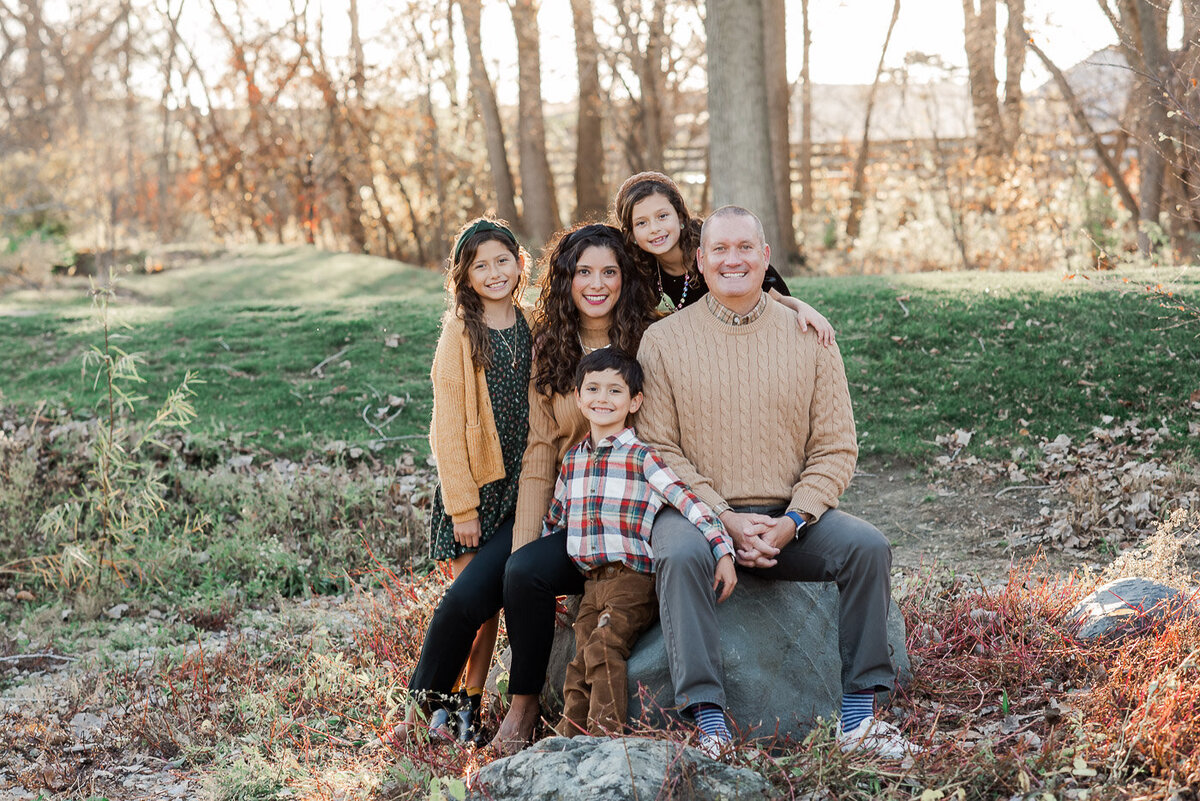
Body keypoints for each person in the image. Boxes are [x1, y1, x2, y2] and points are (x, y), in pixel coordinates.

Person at [635, 205, 920, 759]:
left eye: (746, 247)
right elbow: (659, 448)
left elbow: (836, 449)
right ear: (700, 259)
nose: (732, 259)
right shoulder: (664, 341)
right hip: (699, 513)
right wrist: (724, 518)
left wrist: (793, 521)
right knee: (677, 554)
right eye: (719, 249)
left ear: (766, 257)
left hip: (790, 516)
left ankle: (861, 716)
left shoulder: (809, 335)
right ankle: (710, 721)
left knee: (867, 548)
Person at [490, 222, 660, 753]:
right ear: (565, 278)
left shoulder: (654, 335)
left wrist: (791, 304)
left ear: (625, 279)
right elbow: (541, 452)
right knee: (521, 571)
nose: (596, 283)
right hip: (581, 515)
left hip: (638, 516)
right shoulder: (553, 346)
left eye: (609, 271)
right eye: (583, 270)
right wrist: (526, 545)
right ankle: (524, 706)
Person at [544, 348, 735, 739]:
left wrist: (722, 550)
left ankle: (604, 738)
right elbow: (555, 518)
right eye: (593, 389)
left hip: (632, 580)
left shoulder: (642, 457)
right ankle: (569, 738)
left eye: (615, 391)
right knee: (580, 661)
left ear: (635, 402)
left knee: (604, 647)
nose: (602, 399)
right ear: (578, 397)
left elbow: (689, 502)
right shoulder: (573, 462)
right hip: (591, 584)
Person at [397, 217, 533, 746]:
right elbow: (446, 428)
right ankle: (432, 706)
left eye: (503, 260)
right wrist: (461, 507)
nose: (495, 272)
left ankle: (468, 705)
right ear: (466, 275)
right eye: (482, 265)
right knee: (469, 602)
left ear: (520, 264)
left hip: (521, 490)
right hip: (475, 491)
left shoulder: (531, 323)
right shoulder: (460, 330)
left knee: (492, 605)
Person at [613, 170, 836, 345]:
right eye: (642, 223)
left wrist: (800, 306)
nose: (654, 228)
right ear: (631, 234)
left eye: (662, 216)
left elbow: (773, 294)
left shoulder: (717, 250)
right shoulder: (641, 271)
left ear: (680, 217)